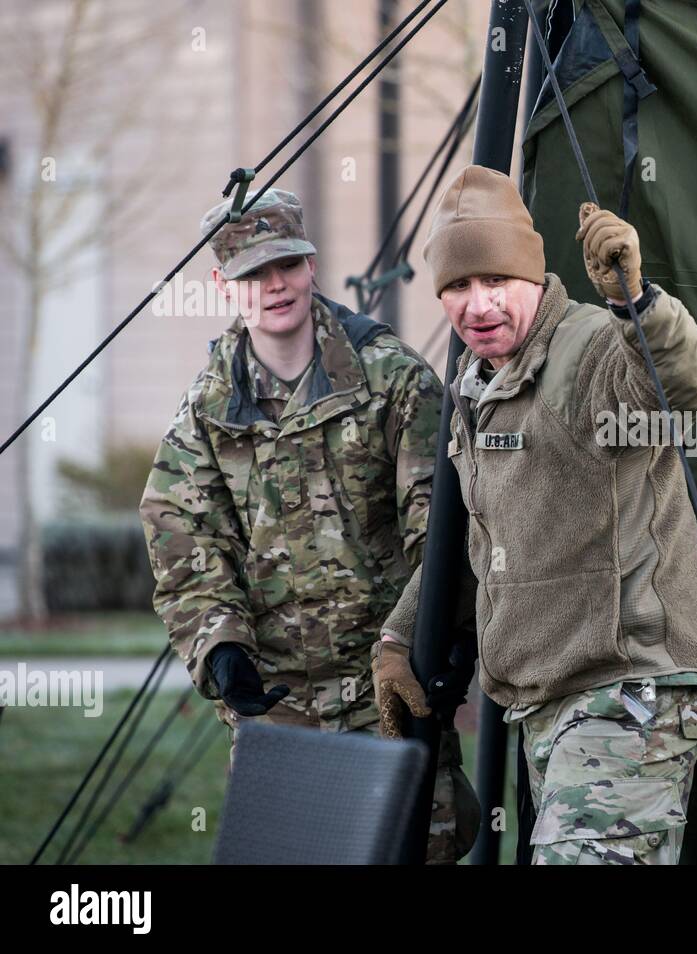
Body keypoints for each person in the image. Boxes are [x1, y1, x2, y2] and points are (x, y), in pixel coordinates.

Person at [376, 165, 697, 865]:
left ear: (535, 279)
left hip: (627, 695)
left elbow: (688, 386)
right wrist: (400, 637)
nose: (479, 304)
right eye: (458, 287)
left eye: (496, 281)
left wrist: (637, 303)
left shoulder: (592, 348)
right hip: (548, 707)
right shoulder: (478, 386)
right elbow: (489, 536)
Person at [139, 187, 479, 863]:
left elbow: (441, 529)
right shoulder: (206, 411)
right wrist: (219, 645)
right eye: (253, 274)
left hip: (386, 689)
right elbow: (184, 536)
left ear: (311, 263)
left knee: (418, 853)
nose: (275, 286)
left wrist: (434, 643)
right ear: (223, 285)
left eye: (286, 266)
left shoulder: (391, 379)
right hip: (278, 704)